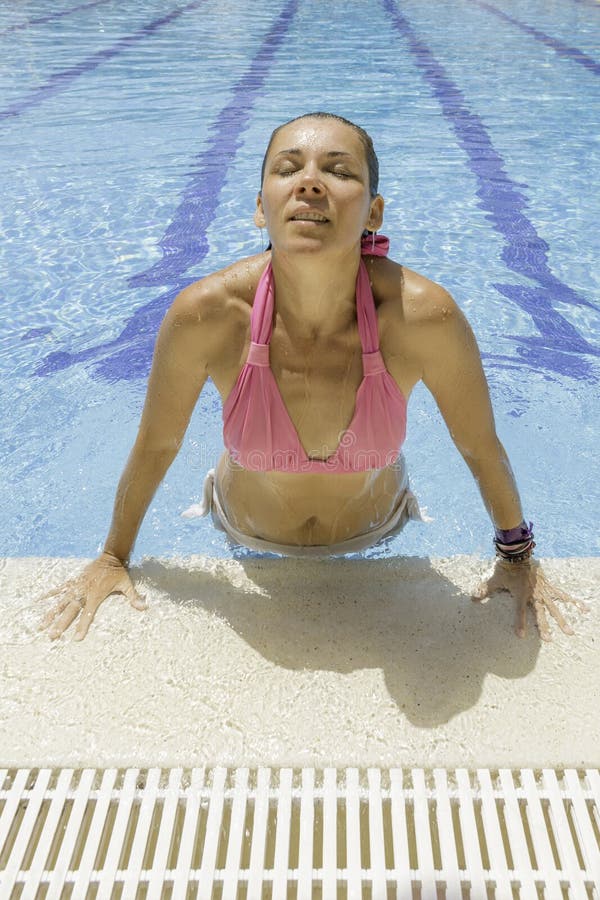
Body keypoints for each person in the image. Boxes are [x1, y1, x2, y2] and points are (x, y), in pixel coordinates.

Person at [40, 112, 588, 642]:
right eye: (287, 169)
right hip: (241, 532)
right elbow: (157, 443)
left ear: (374, 212)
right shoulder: (207, 314)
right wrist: (113, 557)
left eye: (339, 170)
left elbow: (478, 444)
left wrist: (516, 557)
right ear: (261, 207)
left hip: (380, 530)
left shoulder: (421, 317)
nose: (309, 184)